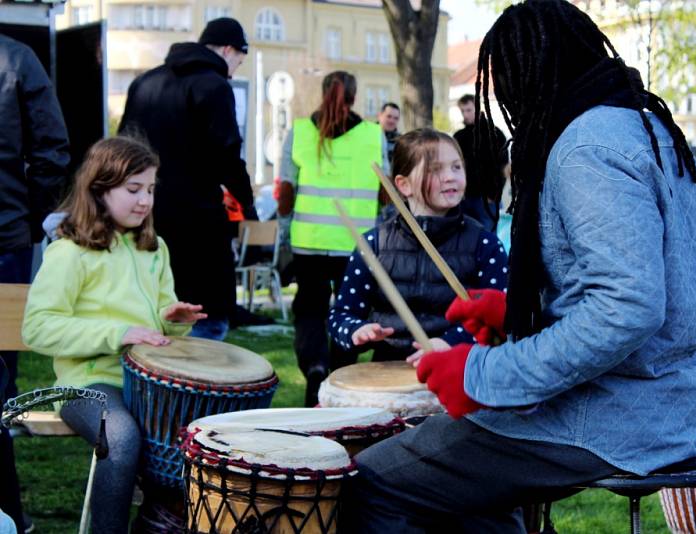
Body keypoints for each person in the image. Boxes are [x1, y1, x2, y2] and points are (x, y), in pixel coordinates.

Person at [340, 1, 696, 531]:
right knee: (470, 498)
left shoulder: (587, 146)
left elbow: (628, 309)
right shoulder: (652, 131)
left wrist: (481, 373)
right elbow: (655, 292)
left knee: (374, 484)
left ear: (529, 74)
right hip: (666, 409)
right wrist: (523, 312)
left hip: (608, 418)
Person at [21, 137, 205, 534]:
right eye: (133, 189)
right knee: (120, 436)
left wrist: (171, 319)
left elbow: (158, 320)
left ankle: (160, 523)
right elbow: (37, 327)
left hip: (147, 385)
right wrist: (117, 333)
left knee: (203, 435)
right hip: (85, 385)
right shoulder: (70, 252)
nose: (145, 201)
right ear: (99, 190)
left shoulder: (155, 250)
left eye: (151, 189)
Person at [119, 17, 255, 341]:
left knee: (150, 314)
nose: (236, 68)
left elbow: (122, 149)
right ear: (227, 49)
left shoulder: (144, 82)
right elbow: (227, 154)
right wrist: (247, 203)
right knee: (204, 320)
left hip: (144, 216)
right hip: (198, 225)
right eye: (240, 58)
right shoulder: (215, 86)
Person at [328, 129, 508, 364]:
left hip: (461, 372)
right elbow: (341, 316)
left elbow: (500, 320)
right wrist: (357, 331)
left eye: (456, 167)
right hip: (390, 372)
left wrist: (451, 342)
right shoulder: (373, 246)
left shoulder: (485, 245)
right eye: (435, 169)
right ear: (403, 185)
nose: (451, 176)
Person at [277, 70, 386, 407]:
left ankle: (314, 366)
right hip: (356, 243)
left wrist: (283, 236)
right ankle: (338, 376)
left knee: (310, 310)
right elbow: (385, 193)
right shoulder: (373, 135)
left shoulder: (298, 132)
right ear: (354, 97)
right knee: (350, 311)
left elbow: (285, 193)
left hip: (308, 239)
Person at [0, 34, 70, 534]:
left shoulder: (18, 60)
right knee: (1, 377)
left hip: (9, 232)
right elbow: (51, 150)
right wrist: (33, 218)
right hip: (8, 236)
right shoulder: (17, 58)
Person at [452, 94, 508, 232]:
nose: (465, 114)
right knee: (466, 238)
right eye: (462, 111)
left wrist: (494, 193)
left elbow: (504, 165)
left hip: (488, 198)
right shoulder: (459, 137)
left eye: (469, 110)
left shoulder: (494, 133)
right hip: (464, 197)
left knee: (488, 239)